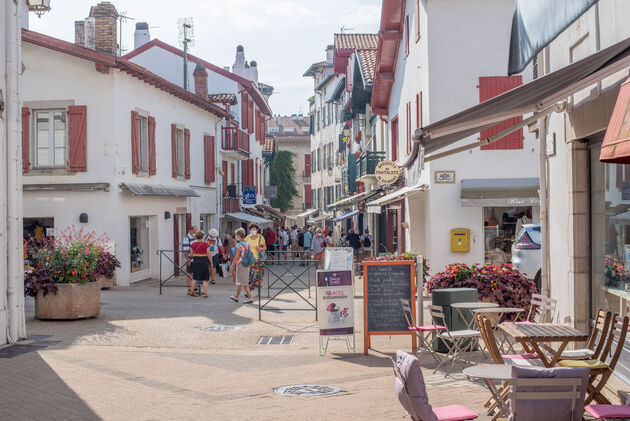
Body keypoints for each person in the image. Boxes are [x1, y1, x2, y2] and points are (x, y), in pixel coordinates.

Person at [230, 228, 254, 304]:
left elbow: (236, 257)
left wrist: (232, 265)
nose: (236, 236)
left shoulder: (239, 245)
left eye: (236, 235)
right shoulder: (247, 244)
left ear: (239, 236)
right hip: (247, 264)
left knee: (244, 282)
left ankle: (250, 298)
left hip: (240, 264)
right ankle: (236, 297)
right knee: (241, 281)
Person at [188, 230, 212, 298]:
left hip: (196, 261)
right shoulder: (206, 244)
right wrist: (211, 263)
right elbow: (209, 255)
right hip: (204, 260)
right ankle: (205, 293)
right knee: (205, 278)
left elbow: (191, 254)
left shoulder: (193, 244)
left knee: (195, 277)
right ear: (203, 236)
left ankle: (191, 291)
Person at [246, 223, 267, 296]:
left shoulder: (261, 237)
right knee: (249, 276)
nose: (252, 231)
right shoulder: (248, 237)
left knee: (259, 276)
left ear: (257, 230)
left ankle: (259, 293)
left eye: (254, 229)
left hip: (259, 260)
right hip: (250, 260)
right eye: (251, 229)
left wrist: (260, 248)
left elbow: (265, 248)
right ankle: (248, 292)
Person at [182, 225, 198, 292]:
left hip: (197, 258)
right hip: (190, 259)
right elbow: (185, 251)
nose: (196, 232)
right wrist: (188, 260)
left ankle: (194, 287)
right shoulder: (186, 238)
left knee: (196, 273)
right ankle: (189, 289)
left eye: (196, 231)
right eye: (195, 231)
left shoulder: (195, 238)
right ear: (191, 231)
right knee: (189, 273)